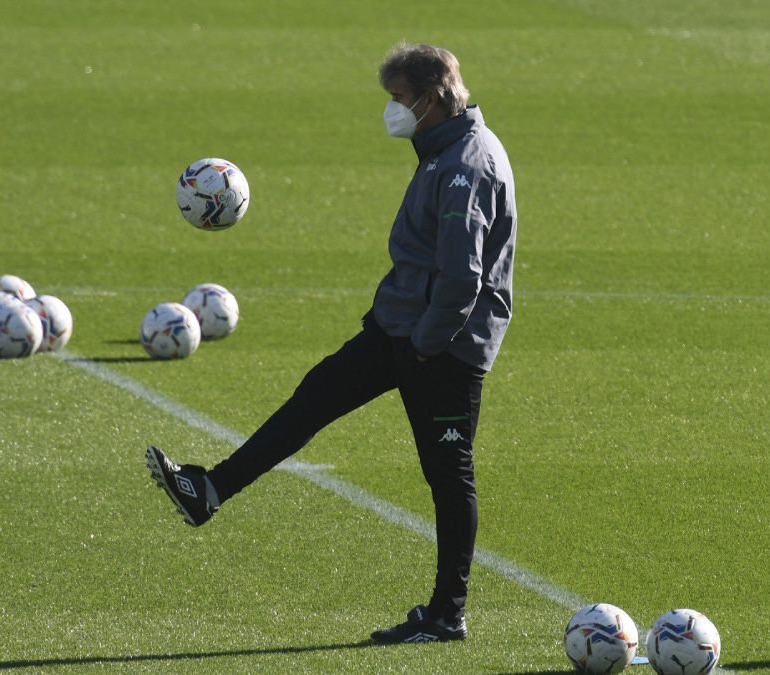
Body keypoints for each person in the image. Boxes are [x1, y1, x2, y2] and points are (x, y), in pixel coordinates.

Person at [145, 42, 516, 645]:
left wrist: (425, 343)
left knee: (449, 475)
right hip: (399, 326)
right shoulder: (440, 150)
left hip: (440, 345)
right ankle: (208, 490)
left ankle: (449, 613)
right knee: (314, 398)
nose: (393, 110)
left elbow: (462, 277)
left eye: (399, 99)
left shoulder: (465, 166)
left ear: (432, 98)